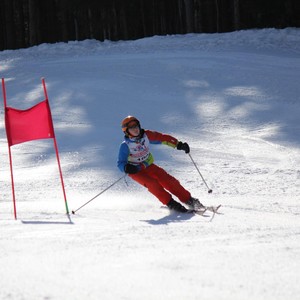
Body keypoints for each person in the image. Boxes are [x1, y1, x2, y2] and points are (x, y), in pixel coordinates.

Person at [117, 116, 204, 213]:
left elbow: (162, 138)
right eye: (132, 128)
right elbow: (120, 163)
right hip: (136, 171)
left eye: (136, 126)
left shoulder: (146, 135)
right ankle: (172, 204)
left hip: (147, 165)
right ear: (126, 131)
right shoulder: (125, 146)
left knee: (168, 180)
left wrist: (178, 144)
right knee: (152, 184)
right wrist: (126, 168)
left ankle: (189, 200)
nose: (135, 129)